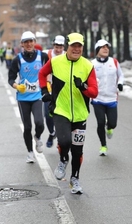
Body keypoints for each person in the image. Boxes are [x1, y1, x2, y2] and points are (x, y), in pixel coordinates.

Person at [38, 32, 98, 194]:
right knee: (64, 141)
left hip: (80, 114)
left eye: (79, 46)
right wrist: (44, 90)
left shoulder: (88, 65)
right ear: (68, 47)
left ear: (82, 48)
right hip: (61, 110)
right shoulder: (56, 62)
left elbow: (94, 92)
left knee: (78, 150)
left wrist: (83, 87)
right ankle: (63, 159)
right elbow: (42, 74)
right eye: (73, 46)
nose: (76, 49)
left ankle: (75, 178)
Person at [8, 31, 49, 163]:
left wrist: (48, 83)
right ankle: (30, 152)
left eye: (31, 41)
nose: (29, 44)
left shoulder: (42, 57)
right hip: (23, 98)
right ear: (22, 44)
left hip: (37, 96)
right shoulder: (17, 59)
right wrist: (16, 86)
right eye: (26, 42)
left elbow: (51, 71)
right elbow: (11, 79)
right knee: (27, 127)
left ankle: (37, 137)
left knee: (40, 123)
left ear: (35, 42)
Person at [91, 39, 124, 155]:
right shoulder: (92, 64)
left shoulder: (114, 62)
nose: (106, 49)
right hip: (98, 99)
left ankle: (109, 127)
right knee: (100, 122)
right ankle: (103, 146)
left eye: (107, 47)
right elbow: (88, 79)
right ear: (97, 50)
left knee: (113, 123)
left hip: (111, 98)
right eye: (102, 47)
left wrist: (120, 83)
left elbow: (121, 75)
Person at [43, 35, 66, 148]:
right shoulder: (46, 54)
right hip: (48, 89)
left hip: (61, 91)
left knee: (60, 116)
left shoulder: (67, 56)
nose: (58, 49)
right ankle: (52, 133)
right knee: (47, 115)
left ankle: (60, 141)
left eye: (60, 47)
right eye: (56, 46)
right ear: (53, 45)